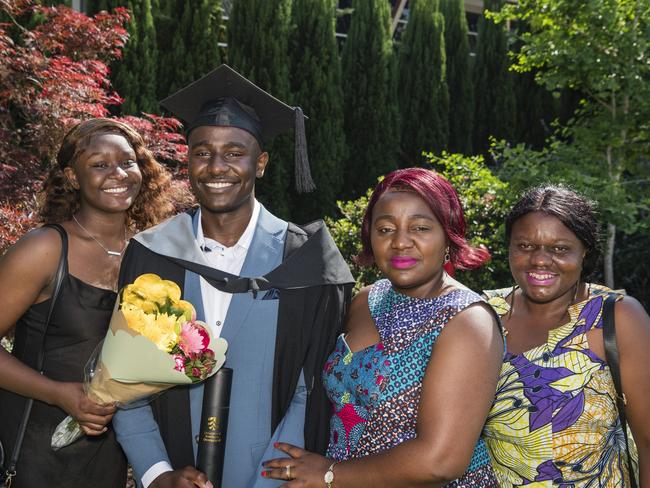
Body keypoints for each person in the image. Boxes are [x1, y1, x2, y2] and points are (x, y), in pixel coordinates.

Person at [112, 64, 355, 488]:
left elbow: (310, 388)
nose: (216, 166)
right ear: (188, 161)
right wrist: (157, 474)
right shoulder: (154, 255)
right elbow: (125, 378)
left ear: (260, 164)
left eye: (234, 153)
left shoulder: (305, 262)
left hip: (268, 478)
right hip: (173, 469)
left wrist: (273, 481)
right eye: (202, 152)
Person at [263, 168, 503, 487]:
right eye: (385, 228)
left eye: (420, 227)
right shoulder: (367, 300)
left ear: (448, 236)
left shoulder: (467, 319)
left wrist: (331, 474)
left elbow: (441, 461)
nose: (401, 242)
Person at [0, 118, 175, 487]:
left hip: (111, 456)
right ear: (73, 176)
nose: (118, 173)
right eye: (99, 164)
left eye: (128, 162)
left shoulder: (151, 257)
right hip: (34, 450)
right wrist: (58, 394)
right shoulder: (45, 249)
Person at [482, 184, 650, 486]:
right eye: (525, 246)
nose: (540, 260)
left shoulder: (616, 317)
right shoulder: (481, 317)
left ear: (584, 251)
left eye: (560, 248)